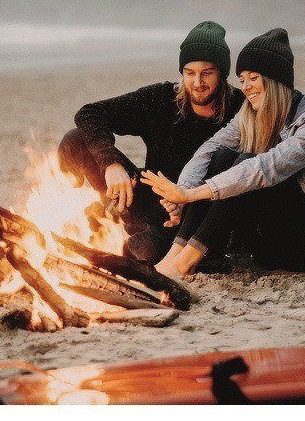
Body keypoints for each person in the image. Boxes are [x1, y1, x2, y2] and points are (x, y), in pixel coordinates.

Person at [141, 28, 305, 277]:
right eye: (242, 79)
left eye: (253, 78)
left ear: (275, 80)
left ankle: (184, 263)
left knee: (246, 167)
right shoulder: (250, 114)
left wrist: (191, 195)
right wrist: (181, 193)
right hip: (262, 240)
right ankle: (175, 254)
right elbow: (210, 149)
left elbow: (265, 169)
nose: (246, 87)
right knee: (222, 157)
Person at [57, 21, 245, 264]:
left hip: (195, 219)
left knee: (142, 252)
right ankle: (110, 214)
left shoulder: (240, 109)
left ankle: (135, 240)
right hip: (148, 202)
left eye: (207, 73)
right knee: (74, 141)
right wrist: (111, 164)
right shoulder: (161, 99)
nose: (197, 82)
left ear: (222, 73)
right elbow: (89, 113)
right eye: (190, 73)